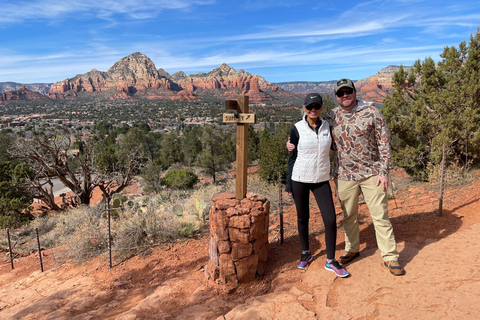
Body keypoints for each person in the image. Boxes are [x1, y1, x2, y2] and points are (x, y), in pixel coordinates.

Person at [287, 79, 405, 276]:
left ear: (354, 92)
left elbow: (385, 142)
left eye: (348, 91)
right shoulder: (331, 116)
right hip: (344, 175)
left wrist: (384, 172)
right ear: (336, 96)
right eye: (340, 93)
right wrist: (291, 142)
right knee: (349, 216)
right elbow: (308, 125)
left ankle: (390, 257)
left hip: (372, 173)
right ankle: (352, 249)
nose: (345, 96)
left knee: (380, 216)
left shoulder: (372, 112)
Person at [285, 92, 349, 277]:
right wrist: (288, 184)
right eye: (309, 107)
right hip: (300, 178)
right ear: (304, 108)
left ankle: (330, 260)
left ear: (321, 108)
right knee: (302, 217)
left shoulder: (328, 126)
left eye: (317, 106)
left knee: (330, 219)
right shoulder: (297, 128)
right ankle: (305, 252)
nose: (313, 110)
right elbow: (292, 156)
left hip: (321, 179)